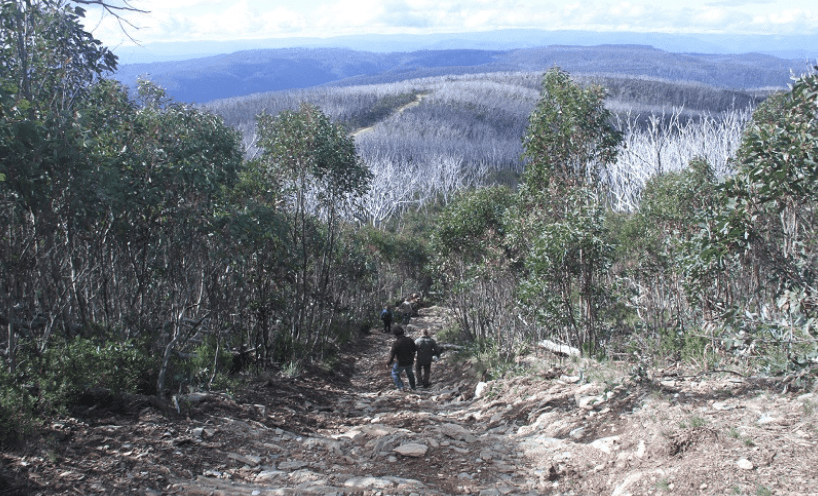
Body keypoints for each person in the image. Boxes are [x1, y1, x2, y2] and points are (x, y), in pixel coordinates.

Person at [387, 326, 417, 391]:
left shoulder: (396, 343)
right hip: (409, 361)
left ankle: (401, 387)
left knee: (394, 373)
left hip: (400, 362)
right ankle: (413, 387)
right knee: (410, 373)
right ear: (403, 332)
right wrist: (412, 357)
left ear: (395, 334)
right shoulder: (409, 340)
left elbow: (392, 355)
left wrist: (388, 363)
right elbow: (415, 349)